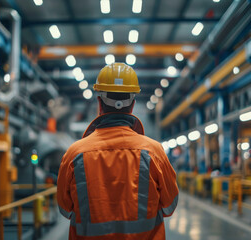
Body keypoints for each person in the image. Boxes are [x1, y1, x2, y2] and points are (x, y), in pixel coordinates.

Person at [57, 62, 179, 240]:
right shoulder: (154, 152)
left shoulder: (74, 154)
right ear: (132, 104)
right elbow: (169, 206)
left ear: (99, 103)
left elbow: (65, 209)